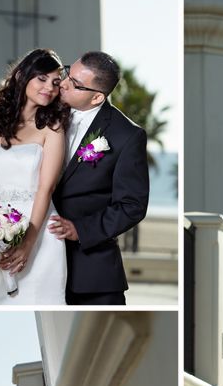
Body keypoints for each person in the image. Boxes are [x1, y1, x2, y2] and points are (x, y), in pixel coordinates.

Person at [47, 51, 149, 305]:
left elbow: (132, 206)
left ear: (97, 96)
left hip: (91, 276)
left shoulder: (127, 136)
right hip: (40, 265)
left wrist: (80, 230)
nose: (64, 83)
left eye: (75, 83)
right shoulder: (44, 110)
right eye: (68, 74)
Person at [0, 48, 68, 305]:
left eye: (56, 83)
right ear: (22, 77)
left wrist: (27, 243)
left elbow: (45, 188)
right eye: (42, 78)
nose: (49, 87)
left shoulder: (53, 129)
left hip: (40, 233)